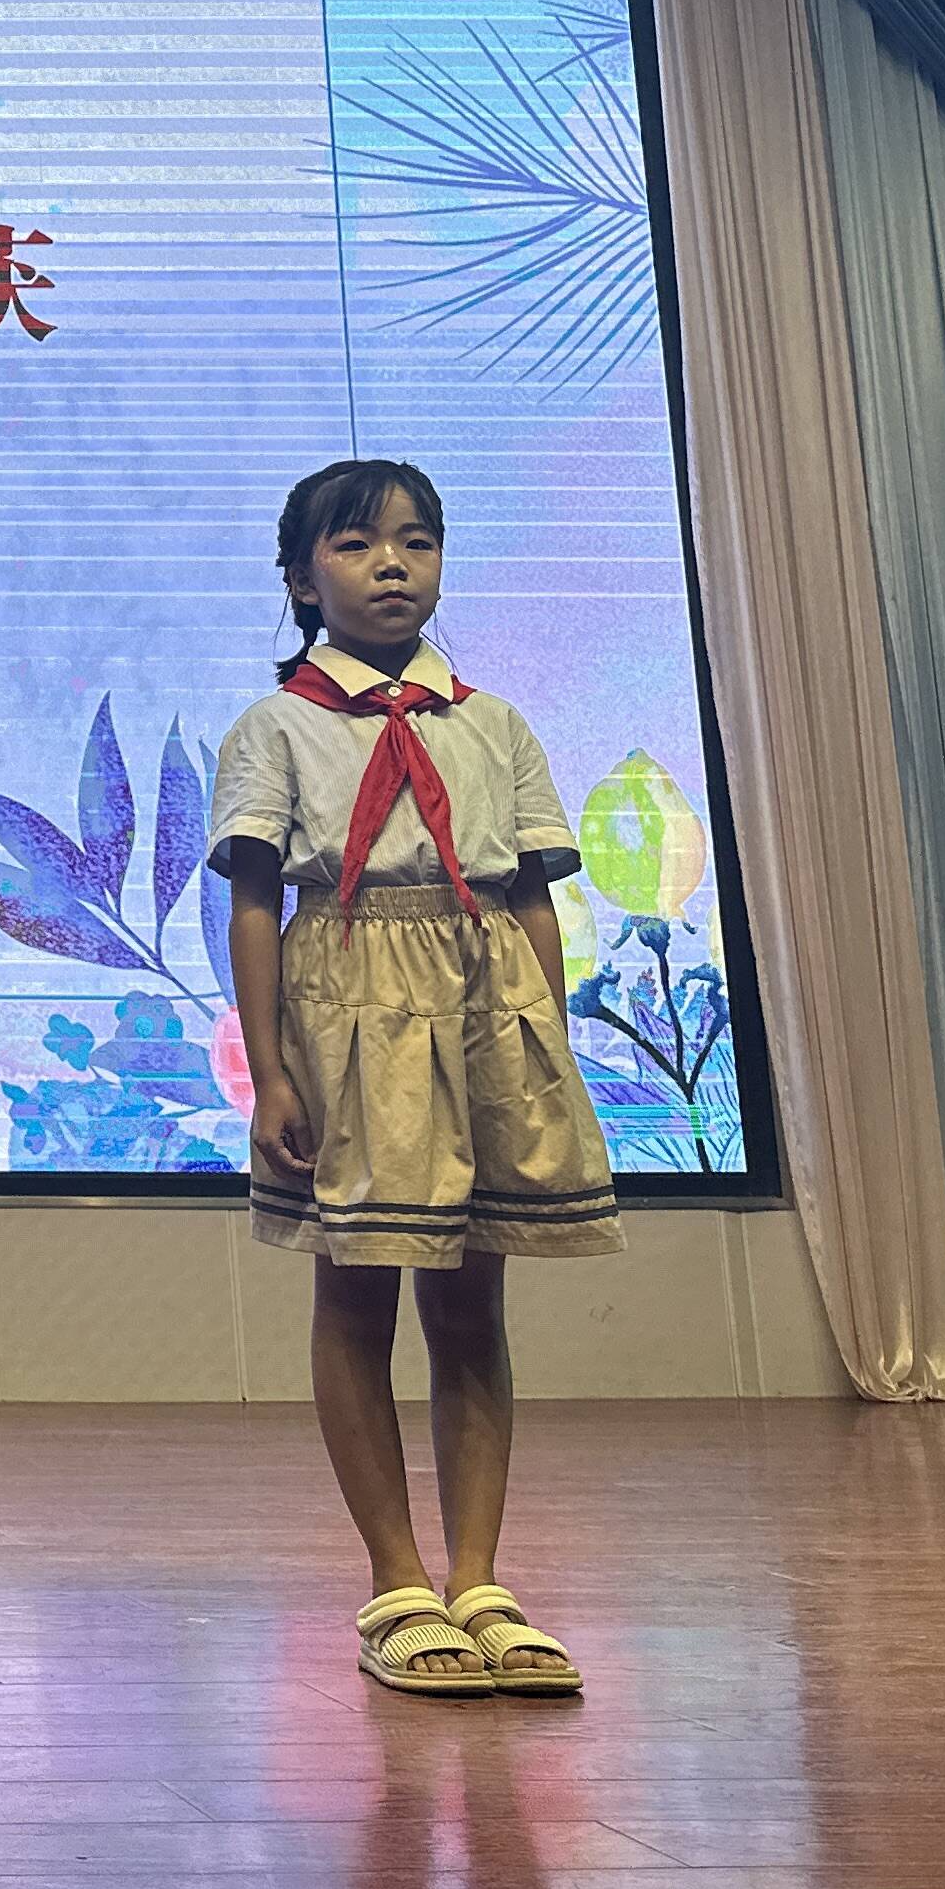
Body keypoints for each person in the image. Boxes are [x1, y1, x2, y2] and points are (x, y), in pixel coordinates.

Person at [209, 457, 620, 1699]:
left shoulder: (495, 724)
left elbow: (533, 897)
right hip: (350, 997)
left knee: (472, 1299)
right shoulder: (276, 727)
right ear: (300, 579)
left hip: (486, 999)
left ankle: (480, 1578)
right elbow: (250, 904)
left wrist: (545, 1047)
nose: (391, 565)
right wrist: (271, 1071)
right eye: (355, 545)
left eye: (416, 542)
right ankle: (396, 1580)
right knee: (357, 1294)